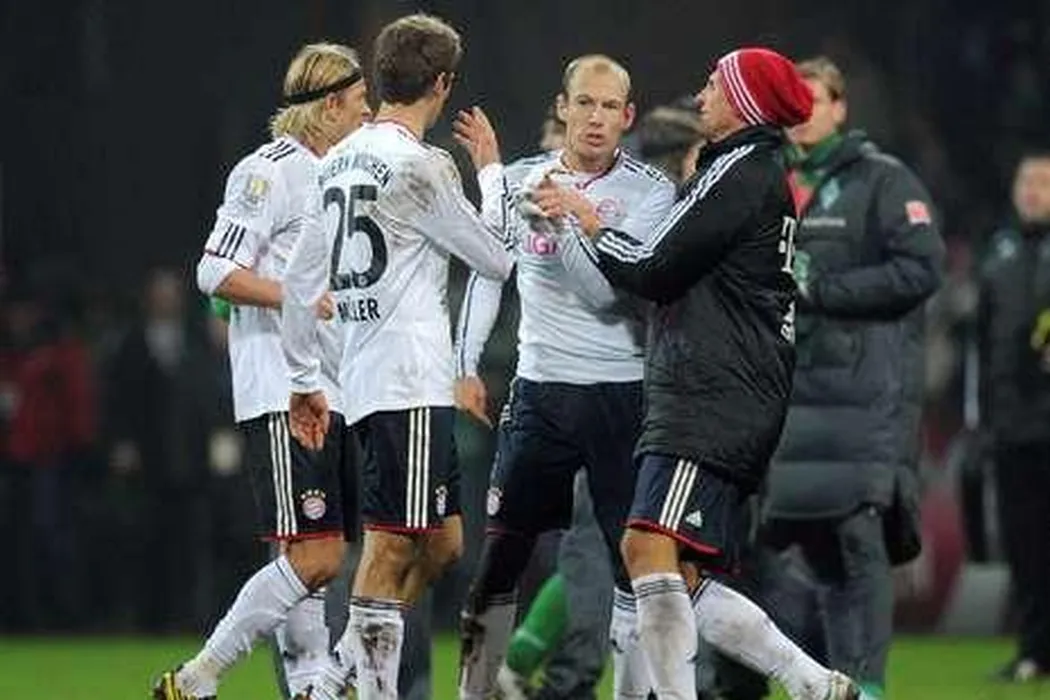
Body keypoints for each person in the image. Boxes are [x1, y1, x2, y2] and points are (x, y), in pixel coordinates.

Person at [533, 47, 863, 700]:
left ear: (743, 100)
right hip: (721, 390)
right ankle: (813, 683)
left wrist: (590, 221)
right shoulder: (750, 169)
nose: (702, 93)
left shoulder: (739, 170)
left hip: (713, 394)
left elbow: (654, 267)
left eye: (714, 83)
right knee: (673, 571)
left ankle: (781, 684)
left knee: (643, 547)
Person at [280, 14, 513, 700]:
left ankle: (338, 672)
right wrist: (492, 172)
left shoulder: (338, 158)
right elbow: (495, 258)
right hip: (406, 380)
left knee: (443, 544)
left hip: (374, 378)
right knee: (390, 547)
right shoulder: (421, 165)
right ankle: (362, 688)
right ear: (442, 84)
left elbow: (298, 280)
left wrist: (303, 377)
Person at [451, 54, 676, 700]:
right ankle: (473, 693)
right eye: (584, 103)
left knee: (631, 564)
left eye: (609, 106)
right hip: (540, 394)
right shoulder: (521, 180)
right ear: (562, 107)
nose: (595, 118)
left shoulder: (652, 193)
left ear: (627, 116)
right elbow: (489, 272)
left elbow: (608, 295)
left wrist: (569, 219)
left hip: (621, 395)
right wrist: (465, 364)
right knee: (502, 555)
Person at [152, 42, 372, 700]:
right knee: (317, 555)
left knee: (311, 559)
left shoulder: (342, 174)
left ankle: (307, 686)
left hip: (332, 387)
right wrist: (294, 296)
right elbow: (214, 270)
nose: (367, 115)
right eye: (359, 104)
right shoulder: (267, 172)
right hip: (281, 389)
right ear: (329, 105)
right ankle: (198, 676)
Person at [748, 56, 944, 700]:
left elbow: (921, 270)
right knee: (804, 551)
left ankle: (870, 683)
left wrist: (822, 288)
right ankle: (830, 681)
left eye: (815, 101)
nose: (802, 114)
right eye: (793, 103)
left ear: (840, 108)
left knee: (858, 539)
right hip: (784, 391)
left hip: (860, 394)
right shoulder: (766, 176)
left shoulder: (883, 181)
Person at [978, 151, 1050, 683]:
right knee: (1024, 545)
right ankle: (1032, 652)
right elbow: (982, 343)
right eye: (1025, 180)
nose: (1031, 190)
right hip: (1011, 425)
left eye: (1043, 182)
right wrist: (982, 418)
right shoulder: (998, 252)